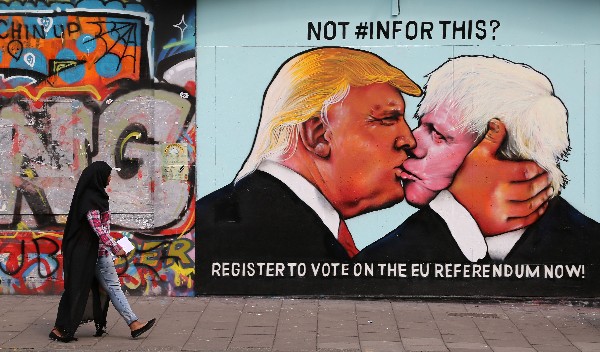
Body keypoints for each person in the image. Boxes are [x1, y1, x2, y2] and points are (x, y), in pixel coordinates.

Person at [196, 48, 550, 294]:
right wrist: (454, 215)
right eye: (387, 119)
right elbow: (354, 296)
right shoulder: (258, 231)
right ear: (319, 135)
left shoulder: (253, 213)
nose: (408, 140)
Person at [358, 55, 600, 264]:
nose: (411, 142)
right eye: (421, 124)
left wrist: (455, 216)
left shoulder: (588, 248)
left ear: (504, 157)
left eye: (439, 135)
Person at [50, 161, 155, 342]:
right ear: (98, 177)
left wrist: (115, 244)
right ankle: (133, 324)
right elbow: (98, 230)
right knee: (97, 288)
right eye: (108, 175)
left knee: (92, 289)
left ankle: (133, 323)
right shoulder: (91, 201)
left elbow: (101, 229)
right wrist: (115, 247)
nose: (109, 179)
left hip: (96, 253)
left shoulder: (94, 197)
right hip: (97, 254)